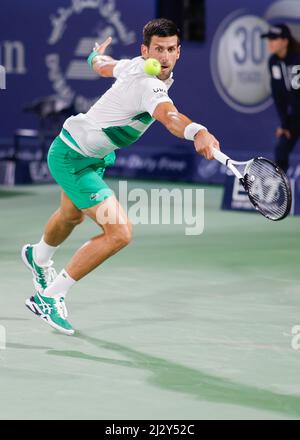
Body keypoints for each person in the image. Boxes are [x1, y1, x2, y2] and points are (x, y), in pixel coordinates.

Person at [22, 18, 220, 335]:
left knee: (70, 216)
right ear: (146, 50)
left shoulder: (132, 65)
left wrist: (93, 56)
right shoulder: (148, 83)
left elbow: (103, 66)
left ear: (179, 52)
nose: (165, 57)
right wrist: (198, 131)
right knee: (119, 233)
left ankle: (38, 255)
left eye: (171, 49)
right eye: (158, 49)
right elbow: (169, 117)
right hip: (73, 158)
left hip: (88, 154)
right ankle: (50, 296)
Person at [262, 23, 300, 172]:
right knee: (281, 149)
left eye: (274, 38)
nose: (270, 43)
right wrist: (285, 125)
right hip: (295, 117)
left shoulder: (298, 60)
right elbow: (279, 96)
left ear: (285, 41)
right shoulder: (273, 62)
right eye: (269, 39)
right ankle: (282, 189)